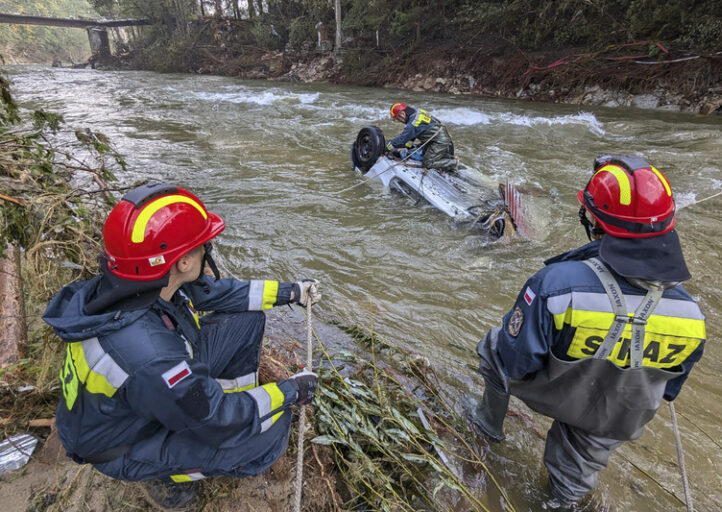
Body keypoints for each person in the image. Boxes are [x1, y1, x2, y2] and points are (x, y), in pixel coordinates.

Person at [43, 182, 321, 510]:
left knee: (245, 320)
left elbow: (221, 293)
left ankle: (216, 413)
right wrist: (291, 391)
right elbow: (215, 415)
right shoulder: (151, 355)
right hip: (123, 445)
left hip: (143, 400)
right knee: (271, 433)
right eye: (203, 245)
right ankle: (167, 480)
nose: (207, 250)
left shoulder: (138, 283)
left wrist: (292, 292)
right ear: (183, 263)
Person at [469, 155, 706, 506]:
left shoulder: (555, 284)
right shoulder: (692, 314)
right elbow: (668, 389)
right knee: (576, 475)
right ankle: (564, 499)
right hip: (616, 414)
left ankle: (486, 426)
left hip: (559, 391)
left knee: (493, 347)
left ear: (595, 220)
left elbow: (515, 360)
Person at [387, 102, 458, 173]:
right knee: (420, 153)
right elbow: (412, 135)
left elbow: (402, 138)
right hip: (436, 138)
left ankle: (454, 163)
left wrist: (387, 147)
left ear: (402, 114)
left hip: (439, 141)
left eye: (397, 119)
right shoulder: (417, 113)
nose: (399, 121)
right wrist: (408, 147)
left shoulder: (412, 123)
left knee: (427, 163)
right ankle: (446, 159)